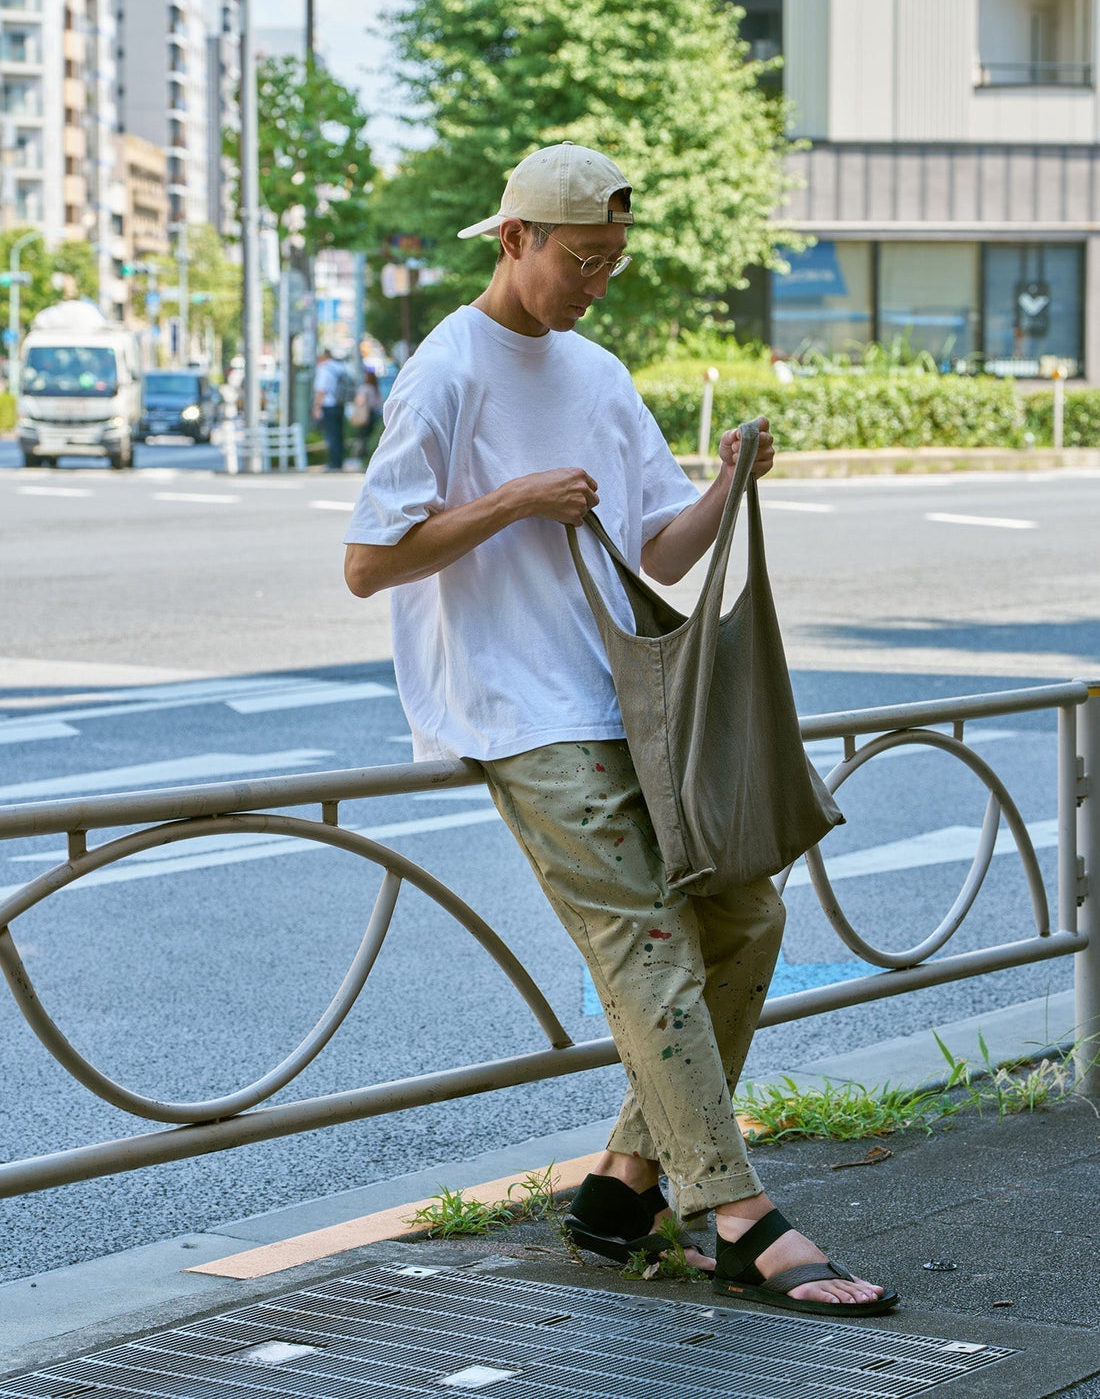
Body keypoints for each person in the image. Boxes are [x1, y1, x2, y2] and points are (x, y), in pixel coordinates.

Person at [343, 141, 896, 1317]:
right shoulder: (445, 371)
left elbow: (653, 550)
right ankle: (735, 1211)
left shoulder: (597, 372)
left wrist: (728, 482)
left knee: (746, 912)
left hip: (619, 697)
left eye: (611, 262)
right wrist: (509, 500)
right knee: (645, 944)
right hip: (511, 707)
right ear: (513, 242)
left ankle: (623, 1184)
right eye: (579, 260)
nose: (596, 281)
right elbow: (367, 563)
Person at [311, 347, 346, 471]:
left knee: (331, 435)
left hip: (328, 405)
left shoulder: (324, 369)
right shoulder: (339, 368)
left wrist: (316, 407)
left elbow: (321, 390)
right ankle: (339, 461)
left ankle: (333, 463)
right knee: (339, 435)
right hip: (340, 404)